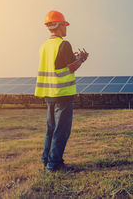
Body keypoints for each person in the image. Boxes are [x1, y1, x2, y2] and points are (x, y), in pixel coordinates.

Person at [34, 10, 89, 171]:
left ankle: (46, 161)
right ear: (59, 25)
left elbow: (57, 64)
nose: (66, 28)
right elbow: (71, 67)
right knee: (61, 130)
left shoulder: (45, 46)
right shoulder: (64, 44)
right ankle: (54, 164)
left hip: (49, 94)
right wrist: (82, 59)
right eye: (65, 24)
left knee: (51, 129)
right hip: (63, 94)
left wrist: (73, 56)